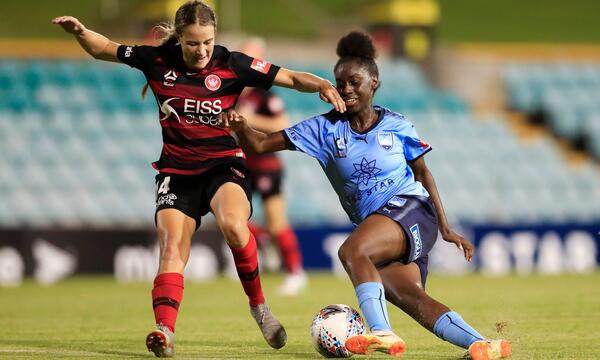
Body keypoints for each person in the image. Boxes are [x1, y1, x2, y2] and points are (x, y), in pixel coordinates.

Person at [52, 1, 345, 357]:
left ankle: (259, 308)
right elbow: (105, 49)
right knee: (172, 249)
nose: (202, 50)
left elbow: (291, 77)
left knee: (236, 227)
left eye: (207, 42)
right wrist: (81, 33)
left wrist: (323, 85)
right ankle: (164, 331)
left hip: (223, 164)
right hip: (176, 171)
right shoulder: (157, 60)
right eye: (193, 43)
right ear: (179, 39)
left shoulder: (233, 63)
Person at [220, 31, 512, 360]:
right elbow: (259, 144)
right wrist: (241, 127)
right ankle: (482, 344)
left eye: (354, 82)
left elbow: (424, 173)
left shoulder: (399, 126)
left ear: (374, 83)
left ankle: (381, 333)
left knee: (352, 251)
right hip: (384, 227)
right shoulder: (323, 130)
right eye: (339, 83)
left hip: (413, 209)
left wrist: (445, 228)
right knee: (407, 296)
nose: (345, 89)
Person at [236, 37, 307, 296]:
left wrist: (251, 120)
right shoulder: (229, 91)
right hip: (239, 162)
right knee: (232, 219)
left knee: (277, 222)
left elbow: (282, 124)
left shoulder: (265, 95)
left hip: (266, 164)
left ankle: (295, 272)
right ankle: (262, 241)